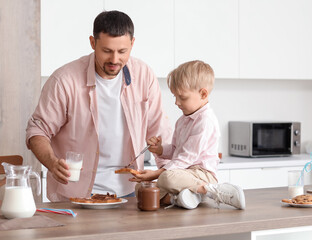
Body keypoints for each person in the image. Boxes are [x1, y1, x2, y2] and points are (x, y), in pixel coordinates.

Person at [26, 10, 172, 202]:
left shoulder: (144, 75)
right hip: (76, 195)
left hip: (130, 192)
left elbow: (160, 132)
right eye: (106, 51)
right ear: (93, 43)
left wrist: (167, 176)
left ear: (132, 44)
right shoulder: (64, 80)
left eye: (122, 51)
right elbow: (37, 130)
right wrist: (52, 163)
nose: (114, 60)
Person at [130, 60, 246, 210]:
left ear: (203, 94)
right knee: (141, 188)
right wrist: (160, 149)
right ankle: (181, 198)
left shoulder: (205, 120)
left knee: (166, 178)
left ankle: (211, 190)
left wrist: (155, 174)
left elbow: (187, 157)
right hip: (184, 174)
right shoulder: (182, 121)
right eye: (175, 97)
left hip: (202, 175)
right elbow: (177, 150)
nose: (177, 102)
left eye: (182, 97)